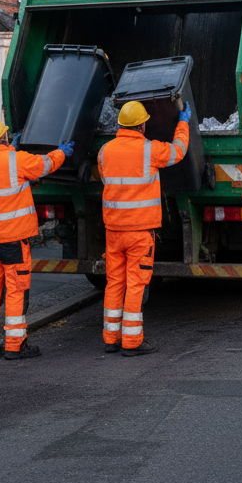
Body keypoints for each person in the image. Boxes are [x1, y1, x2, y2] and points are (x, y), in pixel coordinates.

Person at [0, 118, 72, 360]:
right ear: (4, 138)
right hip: (14, 239)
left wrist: (12, 150)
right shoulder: (16, 161)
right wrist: (62, 153)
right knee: (16, 289)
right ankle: (15, 345)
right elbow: (43, 165)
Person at [97, 99, 190, 356]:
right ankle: (132, 341)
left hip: (114, 231)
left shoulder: (105, 151)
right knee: (136, 283)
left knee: (114, 282)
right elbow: (178, 151)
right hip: (139, 232)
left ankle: (111, 338)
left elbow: (107, 178)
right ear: (143, 125)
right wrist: (182, 124)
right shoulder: (150, 150)